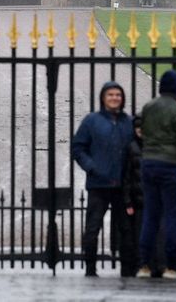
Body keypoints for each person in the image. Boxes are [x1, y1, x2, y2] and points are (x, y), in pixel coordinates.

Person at [136, 69, 176, 279]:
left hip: (148, 163)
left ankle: (144, 264)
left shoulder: (149, 106)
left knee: (151, 216)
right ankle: (173, 266)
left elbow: (143, 132)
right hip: (170, 165)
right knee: (173, 217)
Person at [71, 81, 135, 277]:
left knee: (126, 229)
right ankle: (90, 269)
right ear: (103, 98)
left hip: (122, 185)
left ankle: (127, 269)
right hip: (99, 183)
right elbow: (78, 147)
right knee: (92, 228)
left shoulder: (129, 122)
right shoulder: (92, 121)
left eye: (118, 95)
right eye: (110, 95)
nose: (115, 98)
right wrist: (91, 167)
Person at [121, 114, 144, 277]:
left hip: (149, 199)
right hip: (136, 199)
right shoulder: (131, 147)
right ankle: (136, 265)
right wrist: (128, 201)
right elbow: (127, 177)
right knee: (134, 234)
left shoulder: (153, 147)